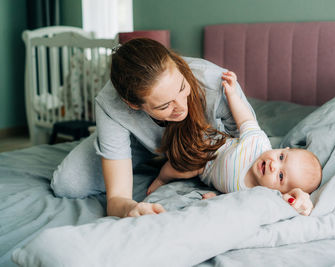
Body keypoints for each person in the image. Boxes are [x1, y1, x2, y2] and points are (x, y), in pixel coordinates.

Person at [51, 38, 256, 218]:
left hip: (205, 141)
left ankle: (173, 155)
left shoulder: (217, 83)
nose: (181, 107)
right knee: (66, 183)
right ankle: (112, 141)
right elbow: (117, 199)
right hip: (139, 142)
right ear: (132, 104)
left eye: (182, 88)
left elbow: (252, 146)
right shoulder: (111, 104)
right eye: (165, 105)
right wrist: (130, 208)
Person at [148, 71, 322, 216]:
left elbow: (232, 203)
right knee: (179, 165)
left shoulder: (256, 195)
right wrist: (232, 94)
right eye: (281, 157)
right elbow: (245, 118)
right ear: (283, 149)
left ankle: (165, 169)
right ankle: (162, 178)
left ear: (280, 192)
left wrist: (213, 199)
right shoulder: (258, 143)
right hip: (208, 147)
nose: (273, 165)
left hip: (205, 171)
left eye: (281, 176)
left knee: (183, 167)